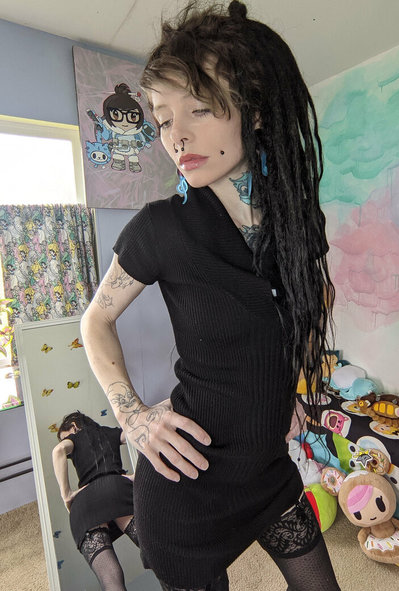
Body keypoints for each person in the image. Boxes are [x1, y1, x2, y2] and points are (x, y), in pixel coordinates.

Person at [81, 1, 339, 589]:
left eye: (198, 108)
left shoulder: (296, 219)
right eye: (163, 119)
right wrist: (133, 418)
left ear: (255, 110)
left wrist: (292, 385)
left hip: (269, 471)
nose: (176, 136)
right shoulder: (159, 227)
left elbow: (314, 296)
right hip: (185, 488)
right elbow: (94, 322)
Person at [52, 411, 140, 590]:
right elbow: (139, 430)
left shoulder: (74, 439)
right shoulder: (109, 432)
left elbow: (58, 451)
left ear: (74, 426)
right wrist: (137, 474)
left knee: (110, 578)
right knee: (159, 553)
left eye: (64, 437)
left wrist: (66, 495)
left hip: (85, 504)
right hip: (116, 489)